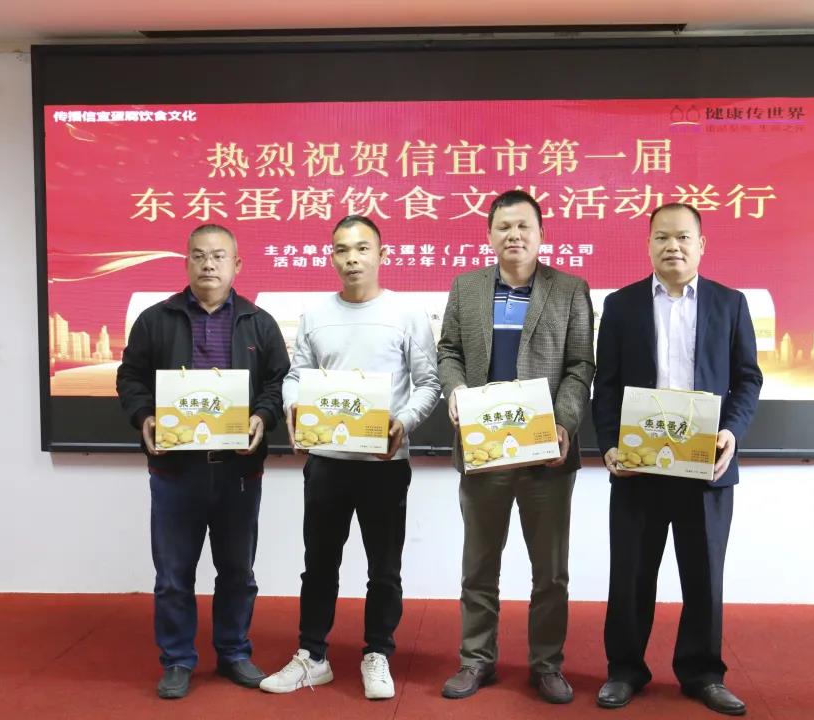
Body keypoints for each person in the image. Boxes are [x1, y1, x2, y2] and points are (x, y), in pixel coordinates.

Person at [591, 203, 763, 716]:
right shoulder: (621, 306)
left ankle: (703, 673)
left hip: (706, 467)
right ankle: (624, 671)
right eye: (662, 237)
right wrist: (610, 444)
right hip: (639, 466)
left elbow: (748, 379)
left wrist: (732, 432)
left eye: (684, 237)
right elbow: (606, 385)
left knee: (704, 577)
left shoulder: (730, 304)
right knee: (630, 575)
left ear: (701, 245)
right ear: (648, 245)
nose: (673, 246)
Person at [260, 215, 440, 700]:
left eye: (362, 248)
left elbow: (428, 383)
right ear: (332, 257)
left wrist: (404, 422)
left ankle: (377, 652)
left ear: (382, 254)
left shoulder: (407, 313)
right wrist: (294, 407)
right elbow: (295, 375)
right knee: (319, 563)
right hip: (326, 462)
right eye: (342, 250)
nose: (352, 258)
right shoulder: (317, 314)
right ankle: (312, 656)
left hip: (384, 463)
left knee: (384, 568)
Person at [116, 223, 290, 700]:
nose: (208, 264)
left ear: (237, 264)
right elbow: (130, 377)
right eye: (198, 255)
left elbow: (278, 381)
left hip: (237, 470)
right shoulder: (155, 320)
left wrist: (262, 416)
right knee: (173, 575)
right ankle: (177, 659)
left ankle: (233, 652)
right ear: (187, 261)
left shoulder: (259, 322)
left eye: (218, 256)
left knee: (237, 572)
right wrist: (144, 416)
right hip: (176, 470)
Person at [436, 189, 595, 704]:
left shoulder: (570, 289)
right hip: (484, 451)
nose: (514, 235)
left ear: (542, 234)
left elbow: (580, 366)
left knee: (550, 572)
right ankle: (476, 659)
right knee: (479, 567)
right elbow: (449, 352)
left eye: (524, 226)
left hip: (546, 454)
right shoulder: (466, 288)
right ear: (489, 235)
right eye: (504, 227)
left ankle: (547, 664)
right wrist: (455, 390)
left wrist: (564, 422)